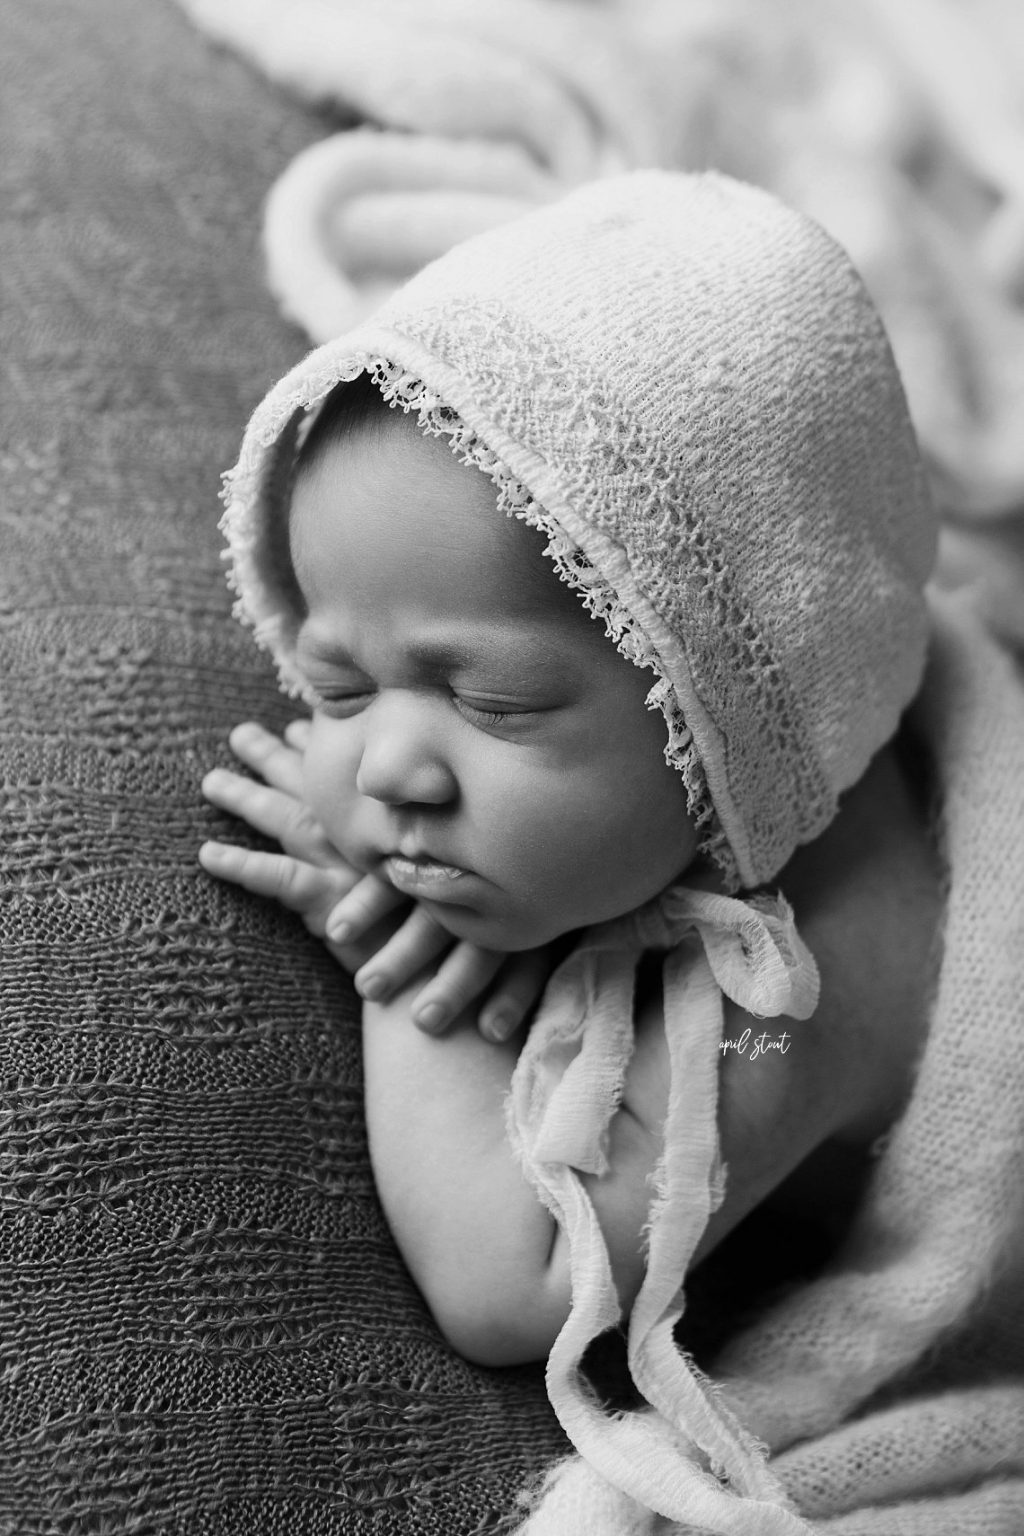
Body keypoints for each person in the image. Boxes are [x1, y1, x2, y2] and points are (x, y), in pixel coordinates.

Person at [199, 172, 1011, 1531]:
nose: (388, 768)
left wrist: (404, 965)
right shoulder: (613, 795)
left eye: (492, 702)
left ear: (717, 723)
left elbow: (511, 1284)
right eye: (339, 686)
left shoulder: (809, 972)